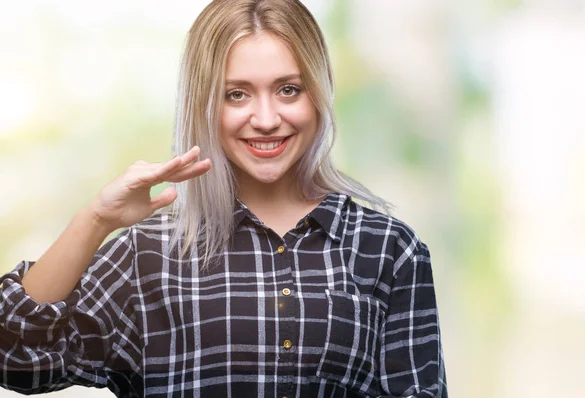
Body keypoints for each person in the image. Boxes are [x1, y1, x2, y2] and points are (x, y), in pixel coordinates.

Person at [0, 0, 448, 397]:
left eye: (288, 89)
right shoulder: (148, 255)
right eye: (237, 94)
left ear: (318, 92)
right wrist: (95, 218)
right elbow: (15, 360)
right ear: (203, 103)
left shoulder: (388, 249)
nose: (267, 118)